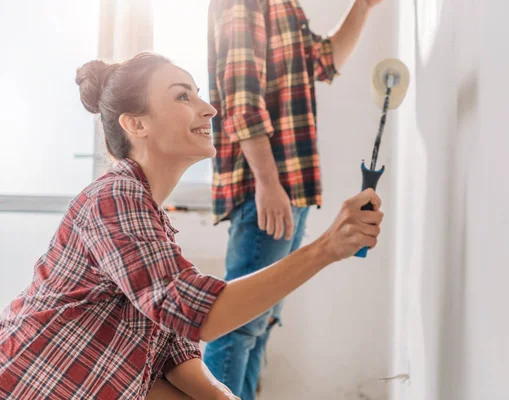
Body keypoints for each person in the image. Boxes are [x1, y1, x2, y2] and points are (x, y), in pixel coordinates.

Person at [0, 53, 383, 400]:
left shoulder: (147, 213)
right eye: (183, 96)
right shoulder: (114, 196)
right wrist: (326, 248)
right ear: (136, 124)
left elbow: (171, 348)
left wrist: (222, 397)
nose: (211, 109)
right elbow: (202, 315)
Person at [204, 0, 384, 397]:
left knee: (259, 323)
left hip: (290, 189)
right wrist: (268, 183)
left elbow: (325, 61)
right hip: (266, 191)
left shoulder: (283, 6)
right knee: (238, 325)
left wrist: (363, 7)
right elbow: (241, 101)